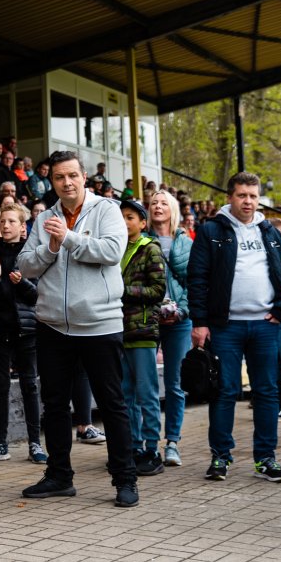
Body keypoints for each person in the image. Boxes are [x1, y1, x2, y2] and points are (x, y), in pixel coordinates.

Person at [17, 150, 139, 507]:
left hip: (100, 324)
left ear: (84, 177)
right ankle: (59, 476)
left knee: (112, 404)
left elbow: (112, 251)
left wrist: (68, 238)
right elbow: (25, 265)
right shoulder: (45, 218)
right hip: (53, 325)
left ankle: (125, 479)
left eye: (72, 175)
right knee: (55, 405)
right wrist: (51, 248)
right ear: (52, 181)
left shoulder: (107, 210)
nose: (67, 183)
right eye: (59, 177)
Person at [189, 171, 281, 484]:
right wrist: (200, 322)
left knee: (267, 392)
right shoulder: (211, 230)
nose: (248, 201)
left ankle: (266, 459)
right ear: (230, 197)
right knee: (225, 391)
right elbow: (197, 277)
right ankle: (220, 456)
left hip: (265, 326)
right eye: (241, 195)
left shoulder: (269, 231)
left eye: (253, 196)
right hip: (226, 326)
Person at [0, 204, 44, 465]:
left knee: (30, 385)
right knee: (0, 387)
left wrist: (22, 283)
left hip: (26, 329)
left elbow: (37, 295)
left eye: (11, 221)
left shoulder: (31, 255)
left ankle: (35, 443)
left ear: (22, 226)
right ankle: (0, 443)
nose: (6, 226)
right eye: (3, 221)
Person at [119, 198, 168, 476]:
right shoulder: (116, 248)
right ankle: (134, 447)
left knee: (147, 394)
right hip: (119, 331)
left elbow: (158, 291)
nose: (125, 222)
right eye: (122, 217)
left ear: (142, 223)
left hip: (143, 331)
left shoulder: (150, 248)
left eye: (130, 217)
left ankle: (153, 450)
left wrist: (123, 290)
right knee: (126, 395)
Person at [145, 190, 192, 467]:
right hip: (147, 319)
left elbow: (193, 282)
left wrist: (181, 311)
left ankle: (172, 442)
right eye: (153, 203)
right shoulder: (140, 239)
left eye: (163, 203)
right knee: (146, 383)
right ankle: (147, 443)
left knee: (175, 384)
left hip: (179, 322)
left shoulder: (185, 242)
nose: (158, 206)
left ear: (172, 209)